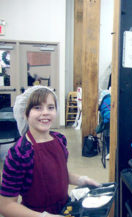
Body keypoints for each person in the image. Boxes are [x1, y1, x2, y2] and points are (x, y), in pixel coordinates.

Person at [0, 86, 100, 217]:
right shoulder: (19, 153)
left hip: (65, 210)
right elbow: (6, 205)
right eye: (37, 107)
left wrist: (81, 180)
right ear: (25, 113)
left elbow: (57, 173)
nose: (45, 112)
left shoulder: (59, 139)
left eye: (50, 107)